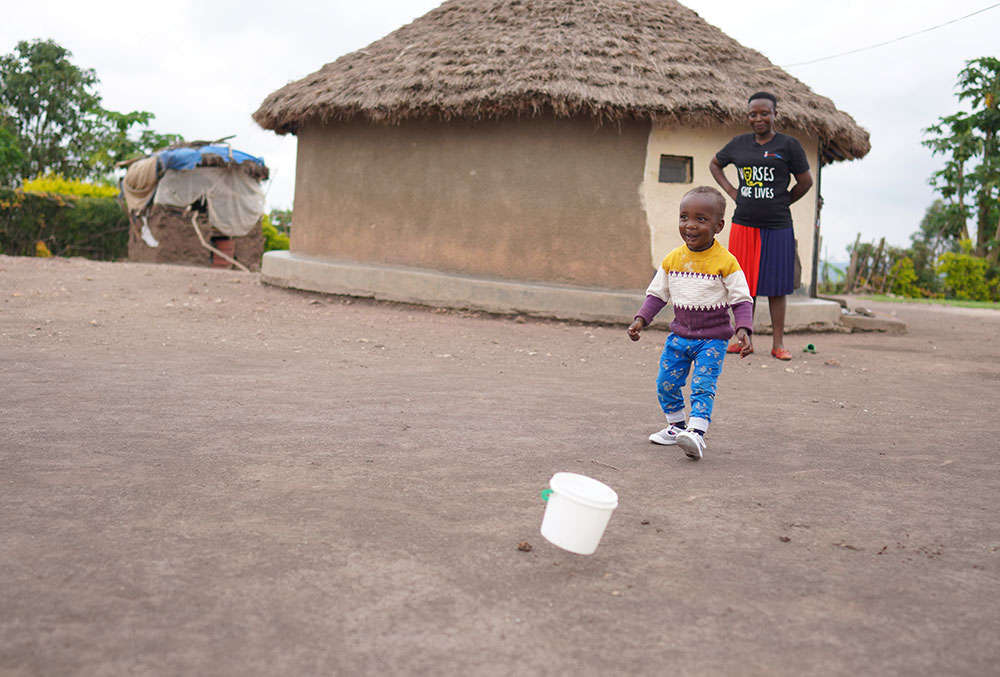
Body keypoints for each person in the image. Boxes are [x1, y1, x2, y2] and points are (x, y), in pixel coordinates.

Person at [627, 186, 753, 460]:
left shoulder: (726, 262)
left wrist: (743, 328)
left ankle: (697, 433)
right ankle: (676, 427)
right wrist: (640, 319)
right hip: (679, 338)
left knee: (702, 384)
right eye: (684, 217)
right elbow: (657, 294)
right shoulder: (673, 259)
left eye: (701, 219)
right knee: (666, 383)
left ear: (719, 226)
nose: (690, 226)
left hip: (712, 339)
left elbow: (741, 299)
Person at [709, 91, 813, 361]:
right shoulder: (739, 144)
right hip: (744, 223)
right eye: (753, 114)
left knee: (777, 287)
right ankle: (744, 339)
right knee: (745, 285)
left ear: (775, 114)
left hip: (778, 225)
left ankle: (778, 344)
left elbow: (806, 181)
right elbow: (715, 164)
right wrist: (732, 191)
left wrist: (783, 201)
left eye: (764, 113)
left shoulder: (789, 146)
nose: (759, 118)